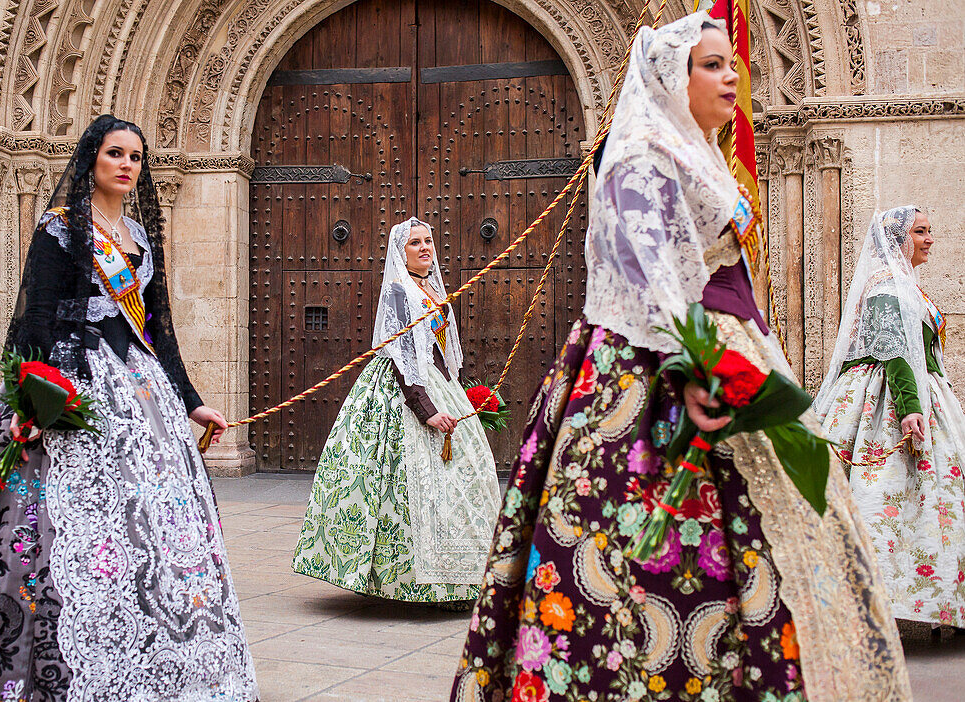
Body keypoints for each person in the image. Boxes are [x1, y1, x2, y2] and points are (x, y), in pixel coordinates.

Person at [450, 14, 911, 702]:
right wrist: (697, 363)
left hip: (723, 341)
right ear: (671, 76)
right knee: (633, 552)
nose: (733, 77)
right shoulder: (641, 151)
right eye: (713, 65)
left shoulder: (695, 148)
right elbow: (647, 265)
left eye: (733, 63)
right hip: (656, 367)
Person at [0, 115, 259, 701]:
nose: (126, 165)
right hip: (72, 388)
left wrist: (192, 404)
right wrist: (32, 401)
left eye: (136, 158)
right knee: (50, 530)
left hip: (141, 393)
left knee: (153, 532)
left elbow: (158, 331)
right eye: (115, 153)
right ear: (91, 158)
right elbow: (35, 317)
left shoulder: (139, 239)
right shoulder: (61, 229)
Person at [292, 217, 501, 605]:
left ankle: (463, 576)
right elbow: (403, 355)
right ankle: (407, 580)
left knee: (462, 481)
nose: (425, 248)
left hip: (439, 385)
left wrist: (457, 395)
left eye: (428, 241)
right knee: (404, 484)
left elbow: (441, 354)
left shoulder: (434, 290)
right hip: (405, 390)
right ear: (399, 253)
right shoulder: (398, 292)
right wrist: (427, 410)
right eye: (415, 243)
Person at [815, 206, 965, 630]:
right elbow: (894, 352)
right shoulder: (888, 289)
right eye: (921, 231)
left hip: (922, 392)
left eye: (930, 230)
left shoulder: (908, 287)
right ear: (897, 239)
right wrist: (910, 408)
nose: (930, 239)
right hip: (890, 399)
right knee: (882, 494)